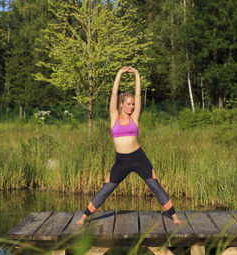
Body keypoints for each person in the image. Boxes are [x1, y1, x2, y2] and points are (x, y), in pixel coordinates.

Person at [76, 66, 181, 225]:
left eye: (133, 104)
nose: (132, 106)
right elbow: (113, 94)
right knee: (106, 190)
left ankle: (174, 217)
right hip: (121, 162)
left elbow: (138, 94)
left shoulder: (135, 117)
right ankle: (83, 217)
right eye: (129, 104)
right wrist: (119, 73)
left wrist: (137, 74)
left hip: (139, 158)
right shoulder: (114, 117)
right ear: (122, 105)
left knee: (155, 186)